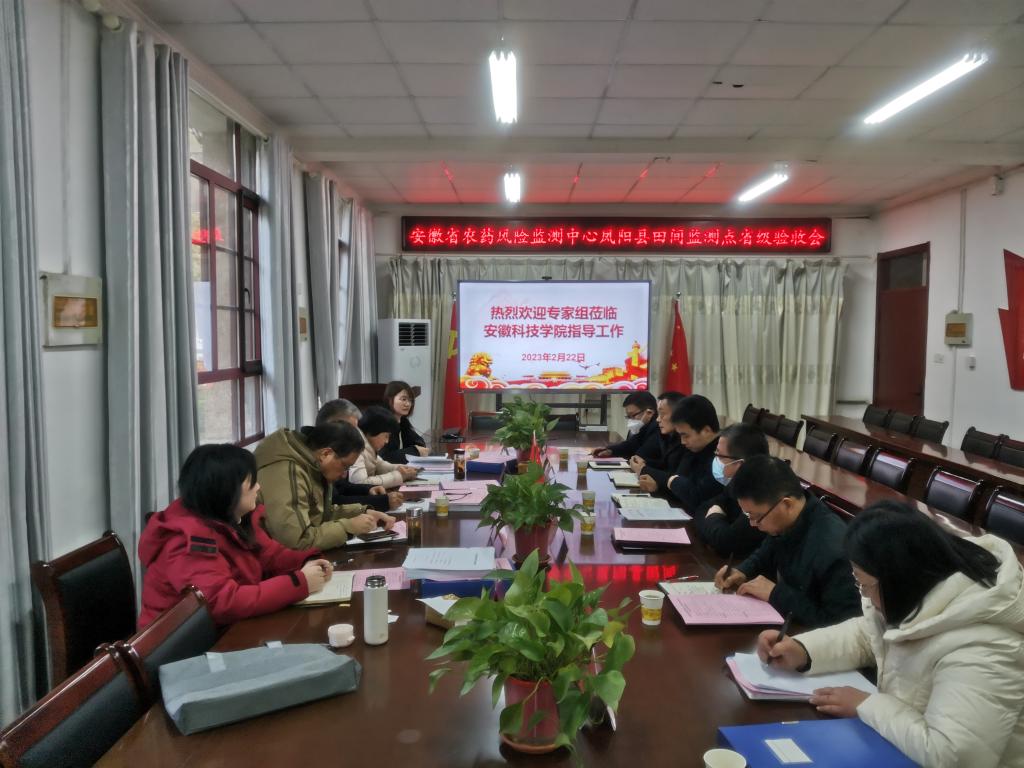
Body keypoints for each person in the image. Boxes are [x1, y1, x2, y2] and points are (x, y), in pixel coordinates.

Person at [757, 502, 1024, 768]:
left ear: (897, 578)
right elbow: (869, 634)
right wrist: (803, 649)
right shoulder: (920, 593)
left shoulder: (986, 648)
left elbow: (953, 756)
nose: (863, 594)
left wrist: (866, 705)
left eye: (865, 584)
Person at [138, 444, 332, 627]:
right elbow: (221, 602)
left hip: (227, 629)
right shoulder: (187, 541)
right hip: (187, 643)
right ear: (225, 489)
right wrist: (299, 583)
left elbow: (271, 556)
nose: (258, 487)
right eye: (252, 482)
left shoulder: (235, 518)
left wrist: (307, 561)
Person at [715, 455, 860, 628]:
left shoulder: (833, 550)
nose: (753, 524)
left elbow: (843, 624)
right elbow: (767, 551)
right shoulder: (787, 520)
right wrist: (743, 570)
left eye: (756, 516)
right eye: (748, 515)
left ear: (787, 504)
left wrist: (775, 594)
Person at [255, 422, 396, 550]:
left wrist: (362, 512)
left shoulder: (310, 464)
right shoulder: (287, 472)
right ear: (326, 454)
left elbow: (319, 514)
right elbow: (297, 542)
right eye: (345, 466)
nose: (344, 475)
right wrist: (348, 527)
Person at [692, 423, 770, 558]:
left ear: (740, 463)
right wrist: (717, 526)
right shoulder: (737, 481)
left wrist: (714, 516)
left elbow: (726, 543)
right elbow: (701, 510)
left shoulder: (761, 494)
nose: (716, 460)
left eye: (720, 456)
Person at [316, 398, 404, 513]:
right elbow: (334, 502)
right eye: (350, 430)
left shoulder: (333, 451)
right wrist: (382, 502)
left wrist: (367, 490)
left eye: (356, 430)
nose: (355, 435)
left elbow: (341, 487)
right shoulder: (316, 457)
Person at [639, 394, 720, 511]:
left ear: (706, 431)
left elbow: (697, 499)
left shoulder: (723, 456)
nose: (682, 442)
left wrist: (671, 481)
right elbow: (681, 492)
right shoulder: (697, 449)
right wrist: (657, 488)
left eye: (685, 435)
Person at [349, 405, 420, 488]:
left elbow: (380, 465)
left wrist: (401, 469)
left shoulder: (368, 446)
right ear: (374, 430)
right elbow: (360, 483)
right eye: (386, 436)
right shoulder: (356, 446)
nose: (387, 441)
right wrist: (400, 476)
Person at [628, 391, 685, 492]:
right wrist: (644, 463)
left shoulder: (685, 442)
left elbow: (677, 479)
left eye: (662, 414)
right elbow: (664, 465)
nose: (658, 419)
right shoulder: (669, 436)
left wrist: (643, 469)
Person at [593, 391, 661, 461]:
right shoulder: (644, 428)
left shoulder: (658, 431)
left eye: (633, 415)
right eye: (628, 417)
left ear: (649, 413)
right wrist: (610, 450)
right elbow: (629, 445)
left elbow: (640, 457)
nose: (631, 420)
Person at [379, 380, 429, 463]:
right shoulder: (383, 423)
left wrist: (416, 449)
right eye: (403, 399)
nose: (408, 404)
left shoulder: (402, 421)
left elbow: (419, 443)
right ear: (390, 399)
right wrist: (415, 451)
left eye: (410, 400)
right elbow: (385, 458)